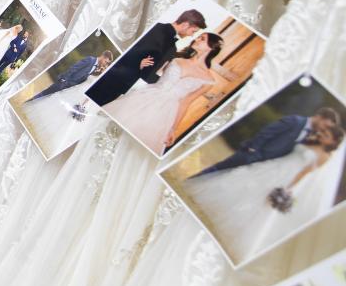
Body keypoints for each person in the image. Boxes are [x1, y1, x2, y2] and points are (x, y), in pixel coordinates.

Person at [188, 123, 344, 264]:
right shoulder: (311, 140)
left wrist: (288, 187)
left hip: (288, 175)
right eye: (324, 132)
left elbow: (305, 172)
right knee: (244, 179)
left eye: (327, 135)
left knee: (258, 198)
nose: (322, 135)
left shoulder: (325, 156)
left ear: (333, 142)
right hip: (276, 165)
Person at [101, 32, 223, 155]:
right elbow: (156, 76)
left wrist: (173, 129)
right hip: (145, 97)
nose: (196, 39)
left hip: (166, 112)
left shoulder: (208, 80)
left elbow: (186, 103)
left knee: (134, 147)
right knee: (114, 129)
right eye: (198, 36)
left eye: (202, 39)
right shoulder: (176, 60)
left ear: (211, 47)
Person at [86, 8, 206, 106]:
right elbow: (130, 48)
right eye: (193, 31)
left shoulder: (171, 44)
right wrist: (138, 63)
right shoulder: (157, 30)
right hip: (113, 78)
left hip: (125, 83)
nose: (192, 36)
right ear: (185, 25)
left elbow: (152, 68)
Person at [195, 107, 343, 176]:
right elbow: (269, 131)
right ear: (321, 118)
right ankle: (193, 180)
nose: (323, 129)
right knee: (219, 169)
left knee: (225, 177)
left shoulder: (312, 136)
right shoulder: (295, 121)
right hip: (252, 153)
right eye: (326, 125)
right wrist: (253, 149)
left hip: (263, 165)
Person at [28, 50, 114, 102]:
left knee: (48, 98)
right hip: (64, 82)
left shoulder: (96, 68)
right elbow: (74, 68)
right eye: (106, 61)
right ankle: (29, 102)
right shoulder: (90, 59)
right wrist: (64, 79)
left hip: (69, 86)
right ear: (103, 56)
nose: (105, 63)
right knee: (46, 93)